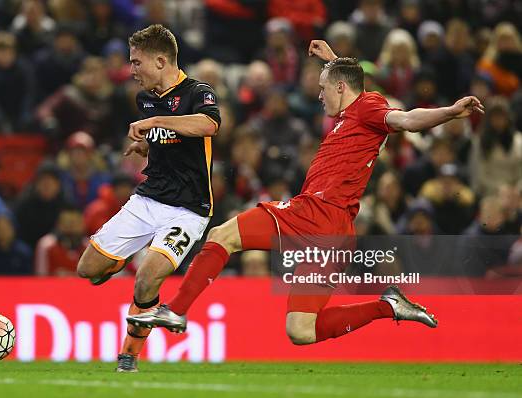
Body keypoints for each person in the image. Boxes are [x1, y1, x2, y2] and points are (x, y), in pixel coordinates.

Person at [128, 39, 484, 348]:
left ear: (340, 88)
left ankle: (175, 310)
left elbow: (406, 119)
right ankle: (387, 305)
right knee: (301, 330)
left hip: (316, 213)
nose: (318, 94)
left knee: (223, 235)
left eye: (323, 87)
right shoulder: (355, 107)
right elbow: (348, 79)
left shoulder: (370, 108)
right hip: (336, 231)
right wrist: (331, 59)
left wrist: (451, 112)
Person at [75, 24, 220, 372]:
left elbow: (208, 125)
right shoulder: (145, 98)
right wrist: (146, 141)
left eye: (136, 62)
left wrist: (156, 122)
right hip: (148, 198)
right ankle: (118, 259)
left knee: (147, 278)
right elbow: (166, 134)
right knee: (87, 269)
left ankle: (129, 353)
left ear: (160, 60)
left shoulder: (198, 91)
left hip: (188, 208)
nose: (132, 70)